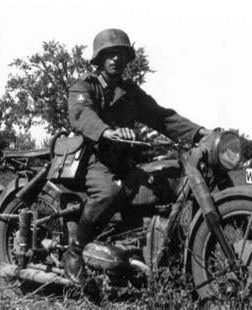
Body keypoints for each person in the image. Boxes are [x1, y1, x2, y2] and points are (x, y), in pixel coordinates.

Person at [63, 28, 210, 285]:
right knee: (109, 193)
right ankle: (75, 251)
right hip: (95, 161)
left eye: (120, 53)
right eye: (109, 54)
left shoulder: (130, 92)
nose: (116, 59)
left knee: (165, 182)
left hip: (126, 162)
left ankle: (156, 252)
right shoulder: (84, 87)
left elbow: (162, 117)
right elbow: (82, 116)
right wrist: (108, 132)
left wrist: (199, 133)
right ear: (99, 59)